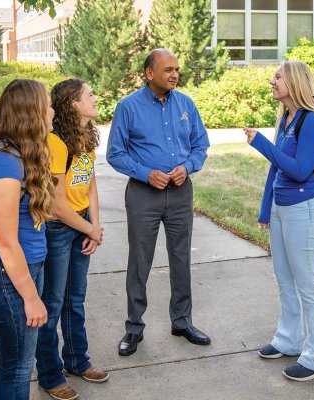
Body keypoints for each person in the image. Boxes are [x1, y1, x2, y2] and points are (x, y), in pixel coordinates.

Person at [243, 61, 314, 381]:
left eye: (277, 76)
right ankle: (289, 339)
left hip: (304, 210)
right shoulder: (285, 118)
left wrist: (261, 143)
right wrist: (265, 210)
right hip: (281, 209)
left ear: (294, 82)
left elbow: (299, 169)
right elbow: (276, 171)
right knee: (285, 280)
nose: (271, 81)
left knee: (307, 285)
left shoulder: (312, 120)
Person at [107, 48, 210, 357]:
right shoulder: (128, 107)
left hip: (180, 192)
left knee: (181, 259)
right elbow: (115, 152)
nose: (174, 74)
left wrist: (187, 167)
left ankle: (182, 322)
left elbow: (200, 144)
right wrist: (144, 173)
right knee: (140, 262)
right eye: (167, 69)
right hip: (143, 195)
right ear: (149, 73)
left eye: (176, 69)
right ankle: (134, 328)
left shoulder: (186, 104)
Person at [0, 79, 54, 400]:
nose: (51, 111)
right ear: (29, 113)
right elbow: (6, 243)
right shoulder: (5, 164)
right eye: (46, 104)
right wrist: (32, 298)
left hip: (21, 269)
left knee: (8, 357)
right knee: (19, 367)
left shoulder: (18, 156)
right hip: (8, 275)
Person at [35, 79, 108, 400]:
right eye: (89, 94)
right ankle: (50, 376)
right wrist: (88, 228)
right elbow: (56, 203)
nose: (95, 98)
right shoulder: (55, 143)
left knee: (75, 300)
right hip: (58, 229)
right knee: (51, 305)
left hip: (80, 223)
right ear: (73, 104)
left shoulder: (86, 136)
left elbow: (89, 184)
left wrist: (95, 223)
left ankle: (78, 361)